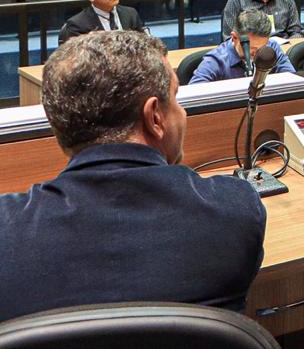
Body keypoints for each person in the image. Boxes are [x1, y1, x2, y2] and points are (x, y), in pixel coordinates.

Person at [0, 31, 265, 321]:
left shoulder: (6, 228)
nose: (182, 112)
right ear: (155, 117)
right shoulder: (235, 209)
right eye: (175, 98)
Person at [190, 9, 295, 83]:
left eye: (261, 48)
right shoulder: (215, 61)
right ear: (235, 37)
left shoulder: (272, 48)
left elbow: (292, 81)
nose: (256, 53)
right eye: (251, 48)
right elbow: (193, 96)